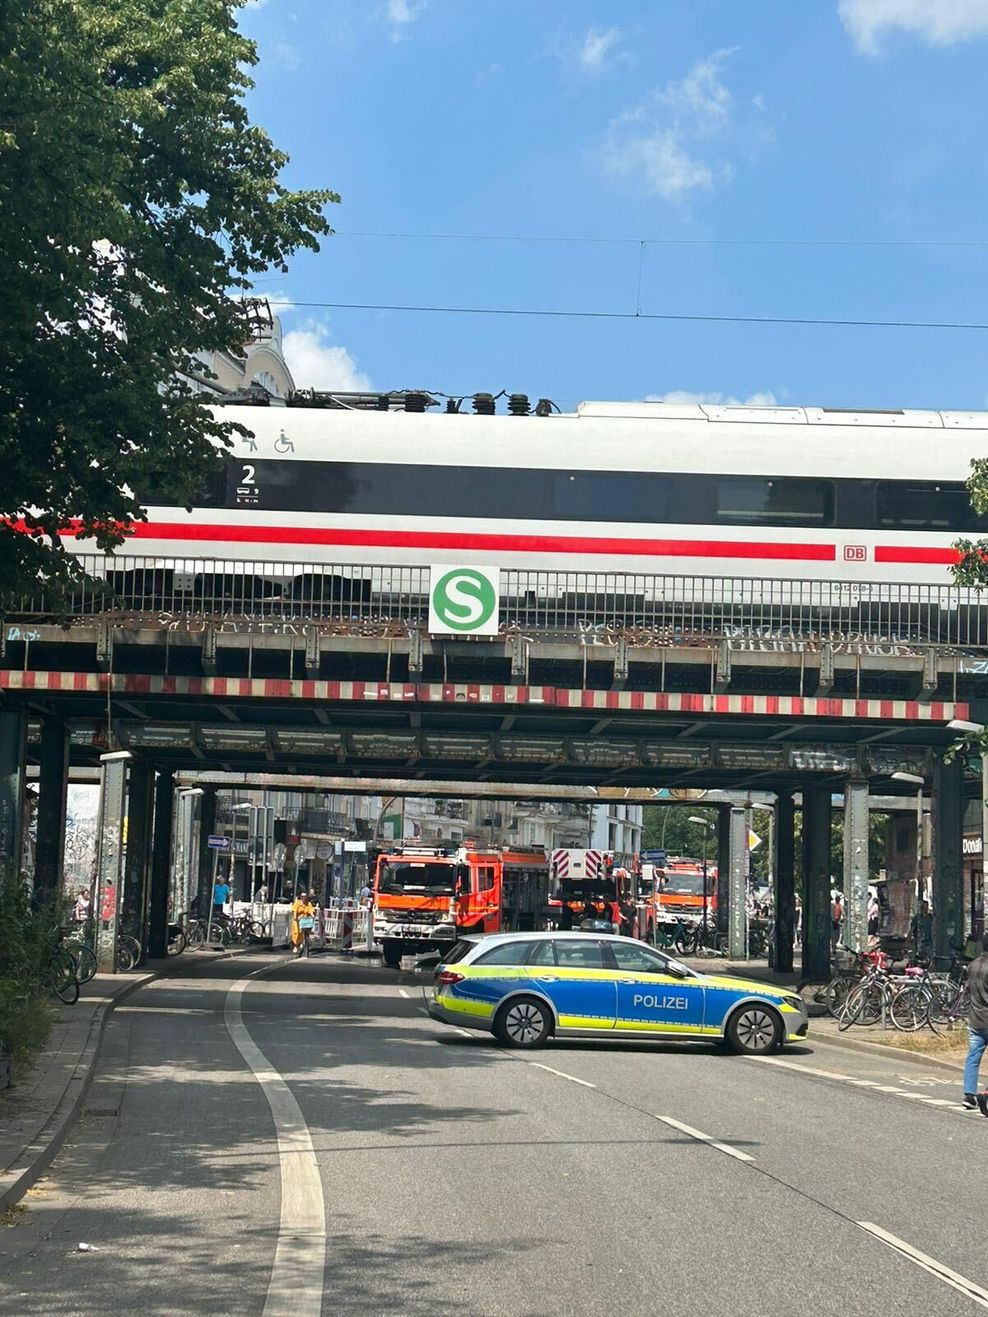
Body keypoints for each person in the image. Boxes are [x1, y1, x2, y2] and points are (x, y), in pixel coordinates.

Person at [964, 937, 988, 1110]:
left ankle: (969, 1095)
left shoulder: (972, 965)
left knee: (973, 1059)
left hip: (975, 1019)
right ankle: (987, 1093)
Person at [291, 890, 316, 958]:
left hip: (304, 920)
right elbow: (294, 911)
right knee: (296, 933)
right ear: (300, 897)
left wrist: (312, 915)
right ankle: (296, 945)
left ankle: (302, 944)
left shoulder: (308, 904)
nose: (304, 898)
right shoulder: (297, 903)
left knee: (303, 933)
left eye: (305, 896)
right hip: (297, 920)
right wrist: (295, 917)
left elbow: (311, 910)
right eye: (302, 896)